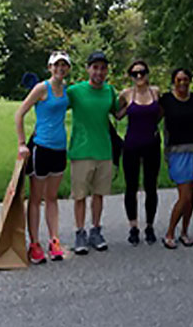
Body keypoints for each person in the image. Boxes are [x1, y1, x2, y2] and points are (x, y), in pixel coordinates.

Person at [15, 50, 71, 264]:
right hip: (41, 148)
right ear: (50, 68)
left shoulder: (66, 91)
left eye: (64, 65)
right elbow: (19, 114)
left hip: (59, 148)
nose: (60, 69)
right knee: (36, 199)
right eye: (56, 65)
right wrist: (22, 144)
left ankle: (54, 240)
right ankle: (35, 244)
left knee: (52, 197)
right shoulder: (42, 88)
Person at [67, 50, 119, 255]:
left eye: (103, 68)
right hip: (81, 151)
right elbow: (56, 104)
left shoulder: (109, 91)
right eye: (95, 67)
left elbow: (118, 112)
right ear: (88, 69)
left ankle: (96, 231)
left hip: (104, 151)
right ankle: (80, 233)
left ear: (107, 71)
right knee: (80, 196)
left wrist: (134, 99)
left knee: (99, 195)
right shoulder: (75, 91)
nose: (99, 71)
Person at [159, 68, 193, 249]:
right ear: (173, 81)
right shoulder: (166, 100)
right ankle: (170, 233)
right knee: (185, 195)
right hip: (178, 151)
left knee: (192, 195)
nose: (182, 83)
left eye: (186, 79)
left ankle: (184, 231)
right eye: (178, 80)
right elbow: (154, 118)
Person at [117, 60, 161, 246]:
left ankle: (149, 226)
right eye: (135, 74)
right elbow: (116, 114)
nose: (139, 77)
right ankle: (133, 227)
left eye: (142, 72)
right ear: (131, 76)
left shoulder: (156, 92)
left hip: (151, 144)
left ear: (148, 73)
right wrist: (128, 108)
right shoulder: (126, 94)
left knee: (151, 187)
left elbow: (161, 112)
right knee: (131, 187)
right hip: (132, 145)